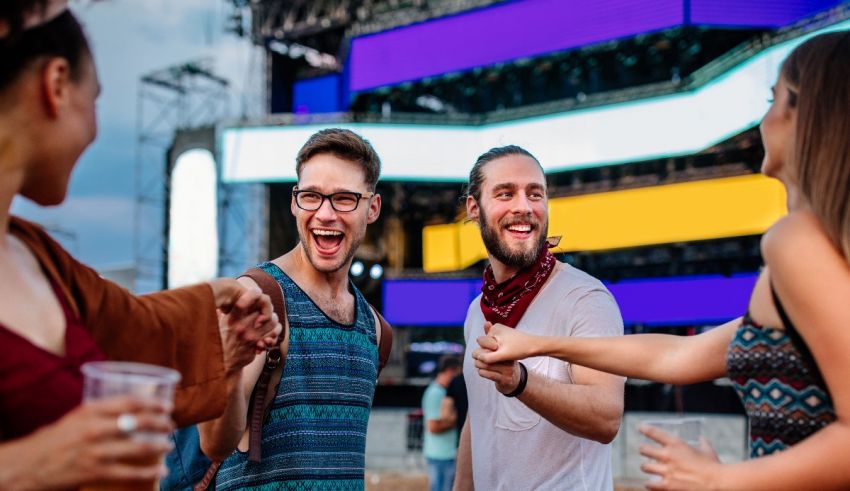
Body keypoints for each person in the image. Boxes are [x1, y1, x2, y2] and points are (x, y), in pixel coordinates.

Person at [474, 31, 850, 490]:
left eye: (773, 100)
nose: (763, 117)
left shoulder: (795, 242)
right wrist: (536, 345)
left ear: (804, 116)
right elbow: (678, 355)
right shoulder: (813, 253)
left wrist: (723, 480)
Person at [0, 1, 281, 489]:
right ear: (57, 83)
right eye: (97, 101)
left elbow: (133, 326)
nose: (94, 129)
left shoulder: (35, 255)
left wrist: (217, 298)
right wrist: (30, 465)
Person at [200, 128, 388, 490]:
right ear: (294, 202)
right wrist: (222, 369)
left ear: (373, 208)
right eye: (311, 196)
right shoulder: (257, 299)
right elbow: (214, 444)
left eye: (345, 198)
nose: (325, 213)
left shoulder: (376, 330)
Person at [453, 145, 625, 490]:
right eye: (505, 193)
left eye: (536, 194)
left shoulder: (584, 298)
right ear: (474, 208)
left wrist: (520, 381)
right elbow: (481, 416)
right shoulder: (478, 311)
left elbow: (606, 416)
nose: (524, 207)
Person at [422, 355, 462, 491]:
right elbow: (433, 426)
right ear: (451, 371)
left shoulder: (441, 391)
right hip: (440, 456)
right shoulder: (436, 393)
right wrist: (459, 419)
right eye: (458, 373)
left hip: (443, 454)